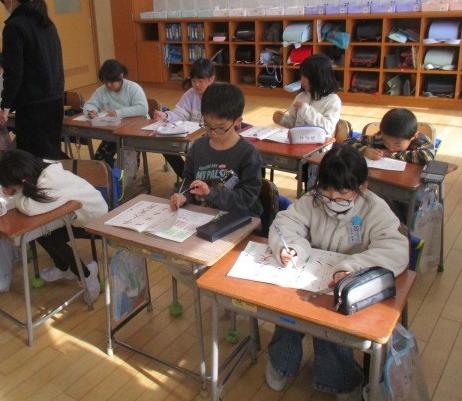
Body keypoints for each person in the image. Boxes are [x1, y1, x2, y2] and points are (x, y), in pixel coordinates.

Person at [265, 144, 408, 400]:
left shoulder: (375, 210)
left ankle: (342, 381)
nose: (332, 200)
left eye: (342, 194)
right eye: (327, 192)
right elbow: (285, 223)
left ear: (362, 187)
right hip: (310, 278)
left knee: (331, 327)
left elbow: (395, 251)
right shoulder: (313, 201)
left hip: (350, 286)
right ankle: (281, 364)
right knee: (287, 314)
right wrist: (293, 248)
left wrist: (352, 268)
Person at [0, 150, 106, 304]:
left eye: (8, 186)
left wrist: (15, 195)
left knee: (48, 237)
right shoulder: (37, 170)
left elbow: (30, 208)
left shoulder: (50, 181)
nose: (5, 190)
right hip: (73, 216)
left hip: (92, 220)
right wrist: (18, 191)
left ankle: (86, 275)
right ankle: (63, 267)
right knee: (42, 233)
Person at [0, 0, 66, 159]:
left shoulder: (14, 27)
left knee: (33, 158)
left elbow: (13, 72)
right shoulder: (45, 21)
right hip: (55, 98)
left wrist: (6, 105)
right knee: (50, 154)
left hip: (32, 103)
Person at [170, 82, 262, 217]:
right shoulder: (198, 147)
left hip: (237, 218)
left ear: (237, 121)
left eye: (220, 128)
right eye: (207, 125)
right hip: (201, 216)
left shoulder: (248, 153)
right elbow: (188, 181)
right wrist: (183, 195)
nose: (213, 133)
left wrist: (211, 193)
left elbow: (247, 198)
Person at [152, 58, 215, 178]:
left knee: (199, 151)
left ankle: (195, 179)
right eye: (194, 81)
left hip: (211, 138)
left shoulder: (218, 95)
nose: (196, 85)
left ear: (212, 79)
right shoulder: (190, 94)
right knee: (166, 148)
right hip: (191, 137)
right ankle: (186, 178)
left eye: (201, 81)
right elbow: (179, 114)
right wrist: (166, 115)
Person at [83, 59, 148, 168]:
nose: (108, 85)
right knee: (99, 160)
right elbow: (89, 104)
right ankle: (114, 174)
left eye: (112, 82)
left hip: (133, 132)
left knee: (128, 165)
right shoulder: (102, 90)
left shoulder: (132, 88)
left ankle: (119, 173)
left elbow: (143, 108)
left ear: (121, 76)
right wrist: (91, 111)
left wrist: (118, 112)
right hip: (113, 131)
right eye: (105, 82)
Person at [272, 53, 341, 136]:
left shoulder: (333, 100)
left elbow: (328, 128)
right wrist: (282, 119)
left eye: (306, 77)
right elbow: (295, 124)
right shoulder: (301, 96)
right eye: (302, 76)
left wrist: (305, 110)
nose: (302, 81)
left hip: (320, 142)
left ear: (319, 78)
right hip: (299, 140)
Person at [345, 108, 435, 165]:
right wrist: (364, 150)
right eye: (386, 143)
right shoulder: (379, 138)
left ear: (413, 137)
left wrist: (390, 154)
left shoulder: (420, 141)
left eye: (397, 144)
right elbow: (347, 142)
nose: (391, 148)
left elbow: (428, 157)